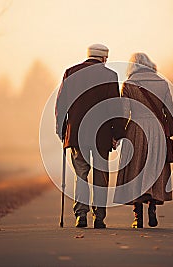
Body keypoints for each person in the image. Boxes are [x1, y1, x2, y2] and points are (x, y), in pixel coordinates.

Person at [55, 44, 124, 228]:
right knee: (101, 177)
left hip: (77, 134)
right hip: (101, 135)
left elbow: (61, 104)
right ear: (103, 58)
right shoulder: (110, 76)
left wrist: (61, 129)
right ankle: (99, 217)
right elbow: (115, 107)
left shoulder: (71, 72)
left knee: (81, 175)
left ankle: (81, 215)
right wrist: (117, 133)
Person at [114, 53, 173, 228]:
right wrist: (169, 132)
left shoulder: (129, 84)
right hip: (157, 132)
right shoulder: (162, 83)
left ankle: (137, 216)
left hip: (136, 130)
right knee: (154, 168)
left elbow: (124, 112)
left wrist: (119, 135)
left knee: (135, 170)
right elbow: (170, 111)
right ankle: (153, 207)